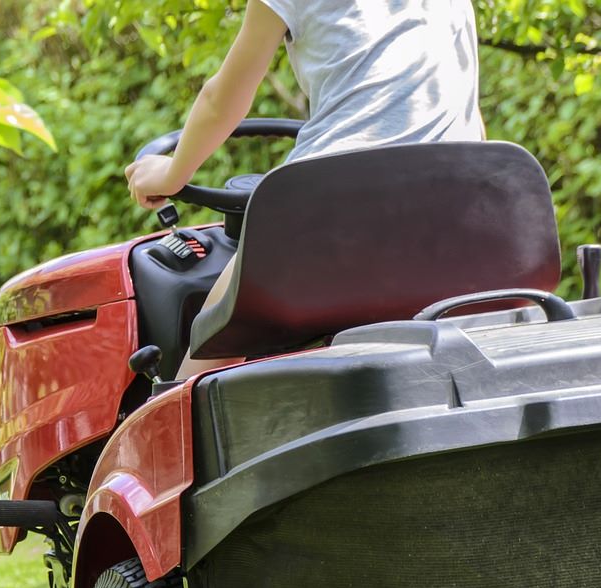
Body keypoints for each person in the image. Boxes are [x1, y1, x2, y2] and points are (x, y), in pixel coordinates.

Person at [125, 0, 485, 379]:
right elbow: (470, 118)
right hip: (455, 219)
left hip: (334, 207)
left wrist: (171, 174)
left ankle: (175, 419)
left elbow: (222, 99)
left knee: (215, 329)